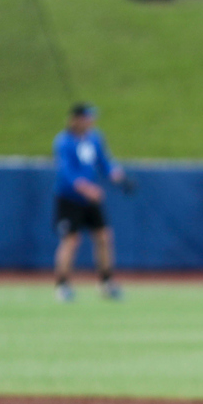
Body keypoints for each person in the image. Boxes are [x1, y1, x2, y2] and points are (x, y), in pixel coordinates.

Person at [52, 103, 126, 302]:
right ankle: (63, 285)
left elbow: (104, 162)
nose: (91, 122)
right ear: (76, 119)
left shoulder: (95, 138)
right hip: (70, 199)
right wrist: (86, 188)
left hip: (91, 200)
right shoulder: (64, 141)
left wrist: (115, 173)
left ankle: (106, 282)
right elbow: (66, 172)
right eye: (87, 118)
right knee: (71, 240)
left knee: (103, 236)